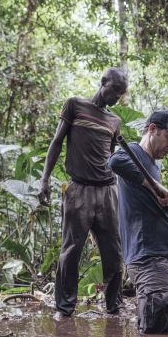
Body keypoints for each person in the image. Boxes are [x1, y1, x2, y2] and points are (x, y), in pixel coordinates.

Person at [37, 68, 128, 317]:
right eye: (114, 90)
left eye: (121, 94)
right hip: (79, 190)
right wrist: (44, 180)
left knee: (114, 252)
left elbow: (111, 157)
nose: (117, 97)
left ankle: (113, 307)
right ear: (103, 83)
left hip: (108, 191)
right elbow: (56, 142)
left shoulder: (114, 121)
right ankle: (65, 308)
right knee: (71, 250)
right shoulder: (75, 106)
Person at [109, 110, 168, 333]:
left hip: (161, 256)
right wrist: (153, 183)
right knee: (155, 321)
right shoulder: (133, 152)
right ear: (153, 129)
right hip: (148, 255)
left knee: (161, 323)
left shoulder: (154, 165)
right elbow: (115, 161)